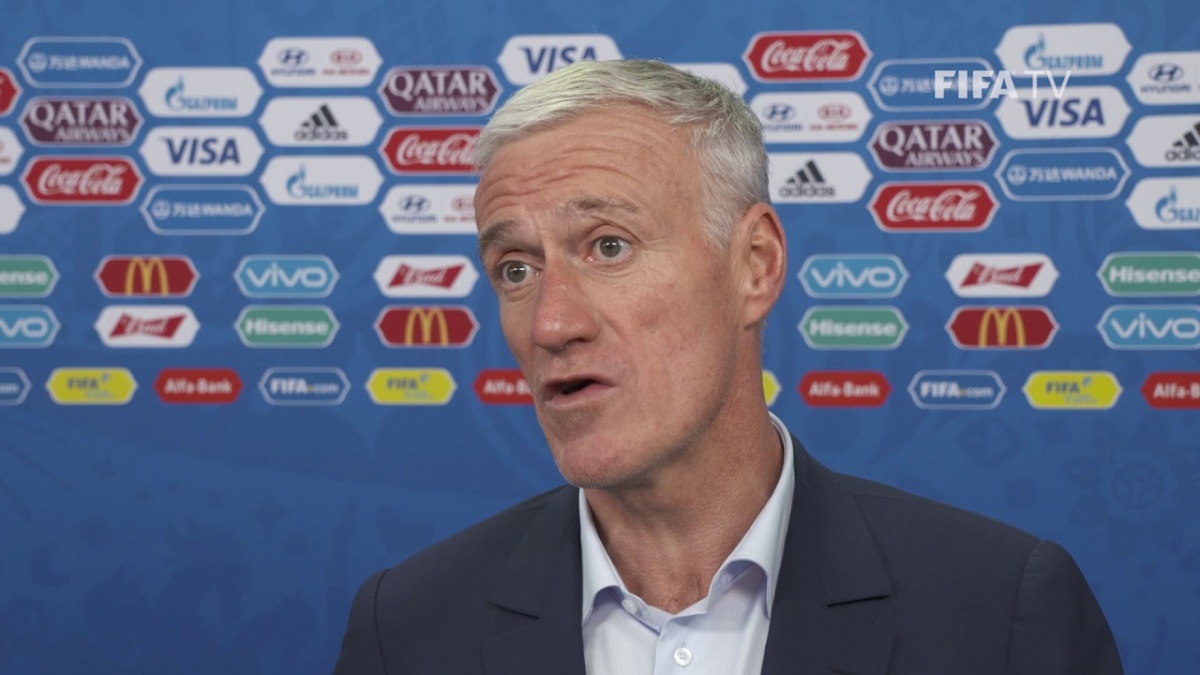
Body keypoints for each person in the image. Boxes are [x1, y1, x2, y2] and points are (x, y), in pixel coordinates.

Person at [333, 59, 1122, 675]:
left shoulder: (1002, 612)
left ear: (755, 265)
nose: (552, 322)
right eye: (515, 268)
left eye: (609, 246)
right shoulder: (407, 626)